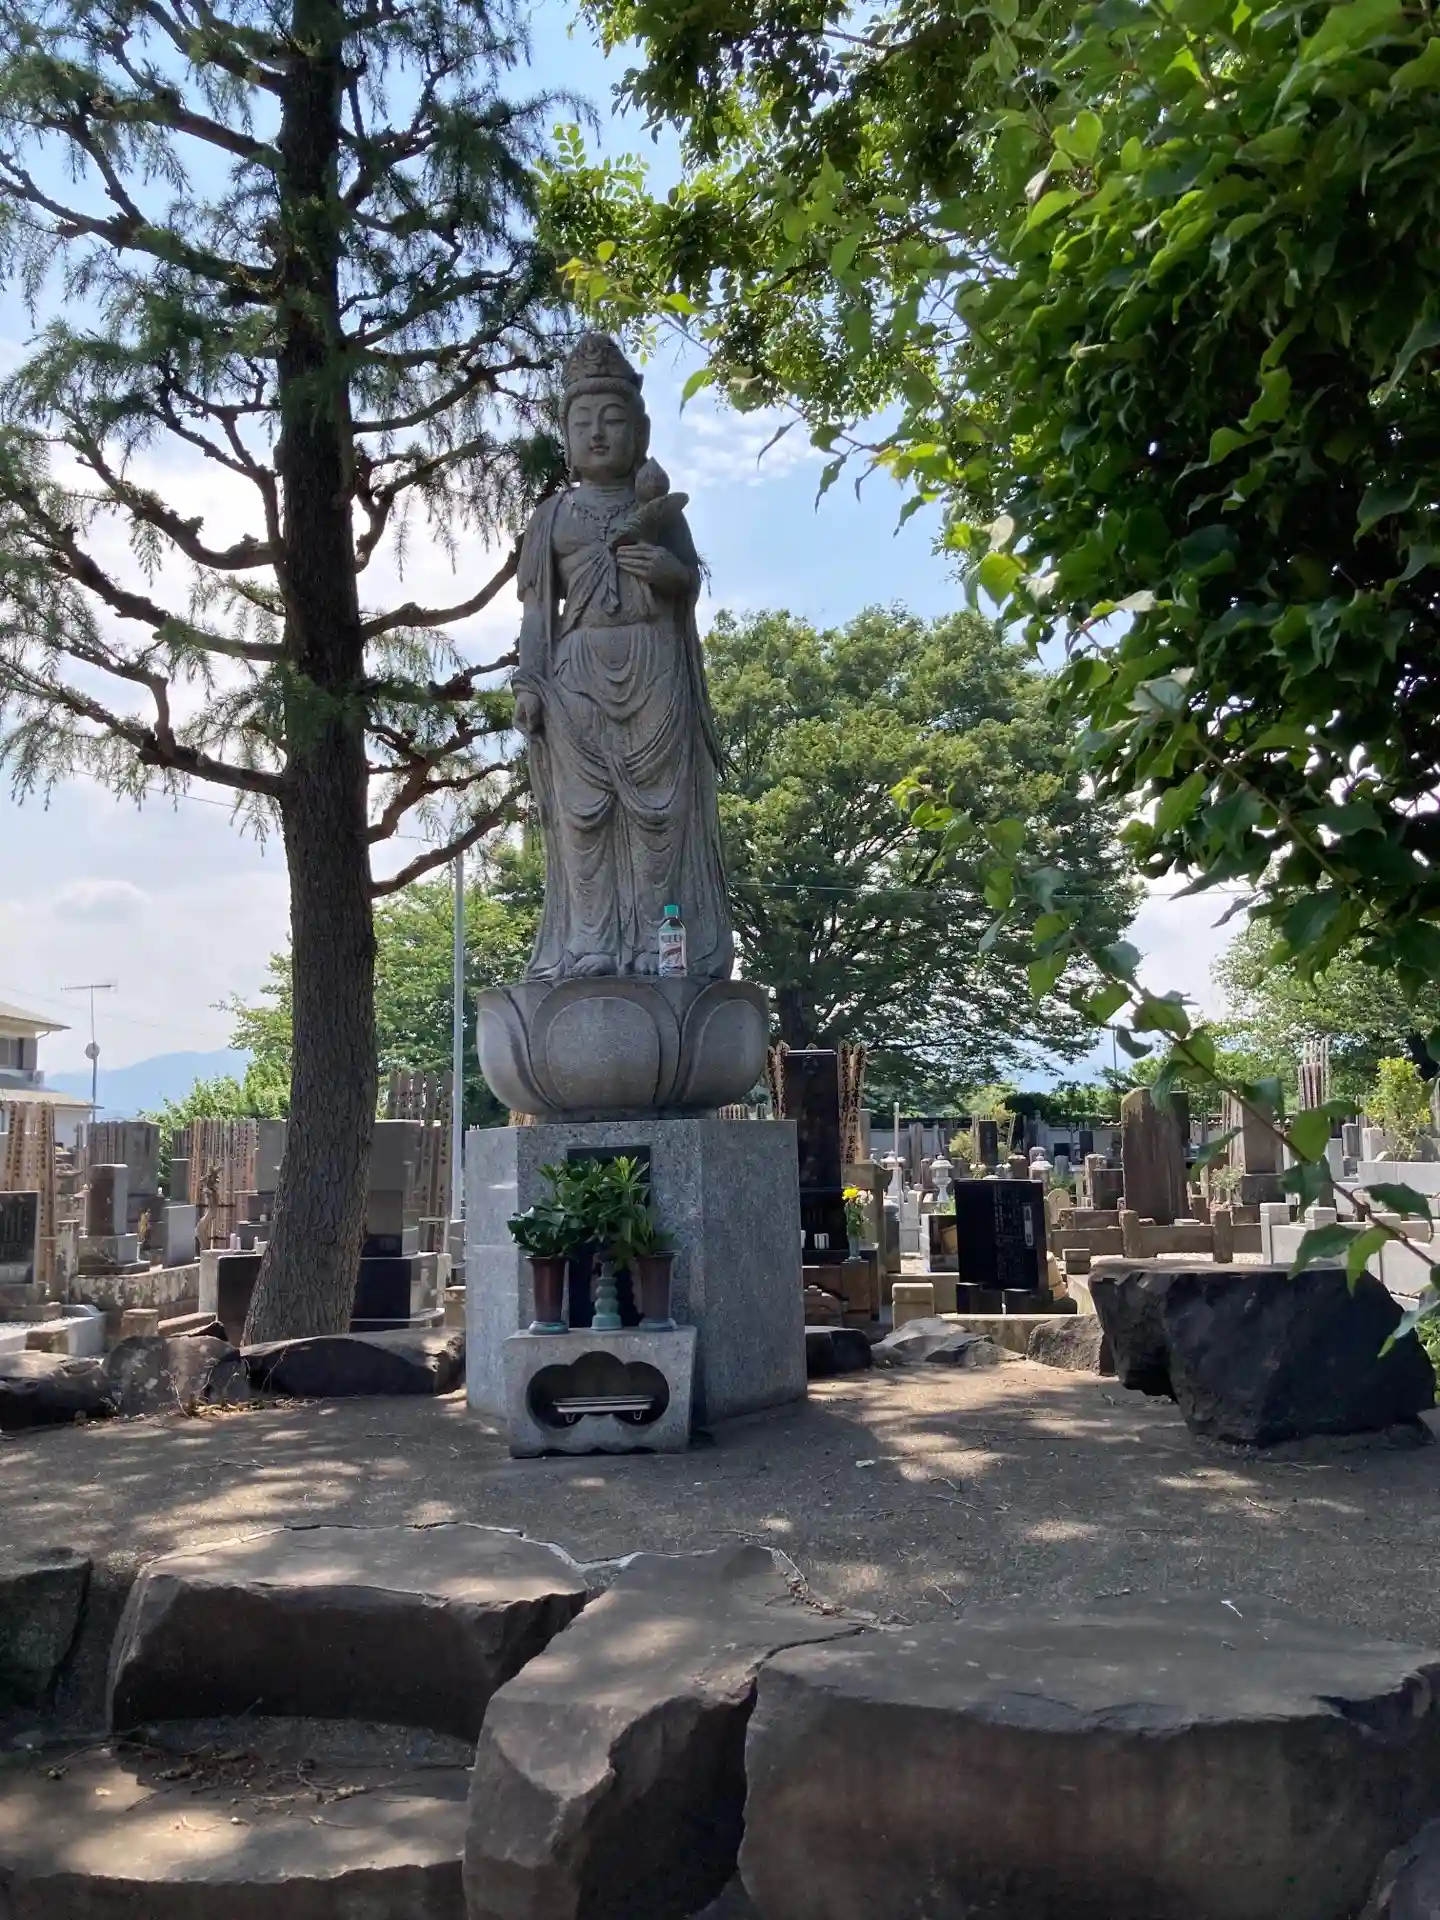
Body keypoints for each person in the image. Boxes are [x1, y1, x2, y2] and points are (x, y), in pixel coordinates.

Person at [513, 333, 734, 982]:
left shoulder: (658, 510)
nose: (598, 433)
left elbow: (687, 582)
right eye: (583, 422)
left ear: (640, 433)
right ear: (566, 436)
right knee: (583, 817)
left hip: (653, 661)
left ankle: (659, 947)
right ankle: (591, 942)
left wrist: (669, 572)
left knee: (659, 815)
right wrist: (528, 682)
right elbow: (536, 612)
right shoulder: (551, 517)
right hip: (576, 672)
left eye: (613, 420)